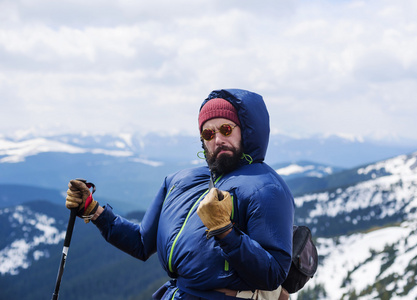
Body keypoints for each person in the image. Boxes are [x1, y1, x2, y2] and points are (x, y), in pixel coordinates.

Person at [66, 89, 295, 299]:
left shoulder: (266, 188)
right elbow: (142, 243)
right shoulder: (179, 181)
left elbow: (273, 274)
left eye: (226, 129)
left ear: (246, 131)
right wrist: (93, 210)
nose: (217, 140)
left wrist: (225, 232)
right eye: (208, 133)